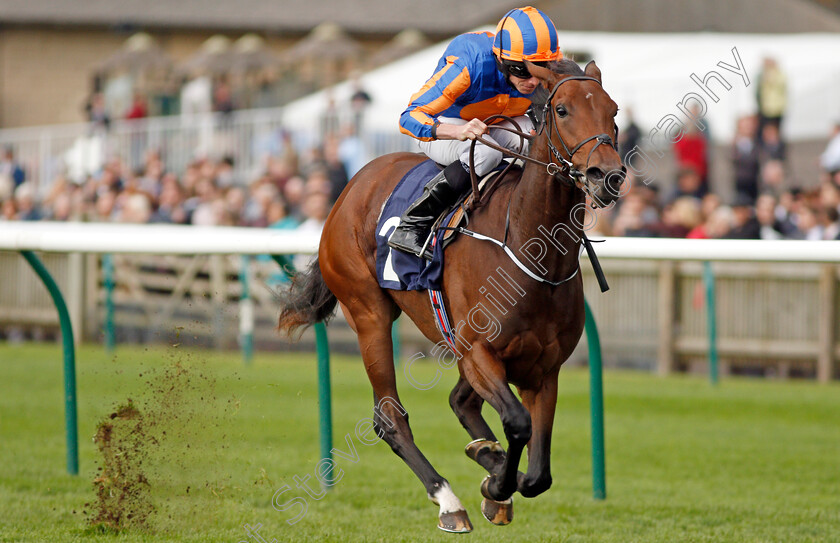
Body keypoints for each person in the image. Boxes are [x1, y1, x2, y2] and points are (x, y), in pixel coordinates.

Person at [388, 6, 561, 258]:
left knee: (533, 142)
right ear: (501, 60)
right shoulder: (470, 64)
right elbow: (408, 118)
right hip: (447, 125)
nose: (533, 81)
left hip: (494, 124)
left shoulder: (548, 73)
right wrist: (457, 132)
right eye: (523, 70)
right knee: (486, 152)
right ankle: (414, 222)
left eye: (540, 68)